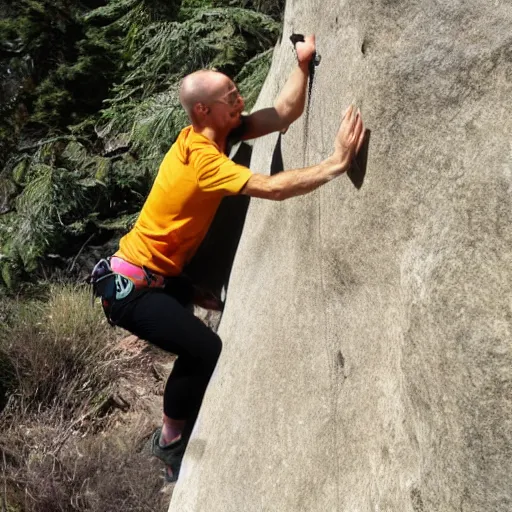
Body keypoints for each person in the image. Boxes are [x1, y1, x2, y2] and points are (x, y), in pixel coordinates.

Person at [92, 34, 365, 482]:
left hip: (159, 275)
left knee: (201, 317)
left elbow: (283, 113)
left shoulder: (215, 132)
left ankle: (184, 299)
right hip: (130, 291)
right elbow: (272, 188)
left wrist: (301, 64)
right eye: (230, 97)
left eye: (237, 92)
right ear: (203, 110)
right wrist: (334, 163)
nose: (239, 99)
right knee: (203, 349)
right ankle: (169, 442)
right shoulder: (204, 159)